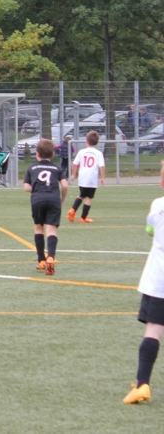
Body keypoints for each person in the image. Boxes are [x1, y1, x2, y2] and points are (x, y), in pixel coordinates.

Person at [123, 161, 164, 405]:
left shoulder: (158, 205)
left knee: (153, 331)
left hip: (159, 279)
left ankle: (142, 384)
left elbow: (150, 230)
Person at [23, 138, 68, 276]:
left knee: (38, 228)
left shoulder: (32, 168)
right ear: (53, 154)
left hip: (37, 200)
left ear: (37, 153)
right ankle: (51, 258)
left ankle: (41, 260)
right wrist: (61, 199)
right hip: (54, 199)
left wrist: (38, 189)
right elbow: (65, 185)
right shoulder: (57, 168)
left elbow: (26, 187)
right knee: (51, 230)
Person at [69, 130, 106, 223]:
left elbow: (74, 164)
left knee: (81, 195)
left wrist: (73, 174)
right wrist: (103, 178)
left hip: (82, 177)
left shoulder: (81, 152)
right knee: (88, 198)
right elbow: (102, 166)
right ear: (97, 142)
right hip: (91, 179)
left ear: (86, 141)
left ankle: (73, 209)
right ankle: (83, 218)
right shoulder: (98, 153)